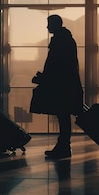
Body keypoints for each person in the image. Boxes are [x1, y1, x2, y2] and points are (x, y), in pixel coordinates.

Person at [31, 14, 83, 160]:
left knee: (63, 115)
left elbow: (55, 65)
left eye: (49, 24)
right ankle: (63, 146)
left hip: (62, 86)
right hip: (66, 84)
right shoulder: (66, 39)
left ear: (55, 24)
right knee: (63, 116)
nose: (47, 27)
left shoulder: (60, 41)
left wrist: (43, 78)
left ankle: (64, 146)